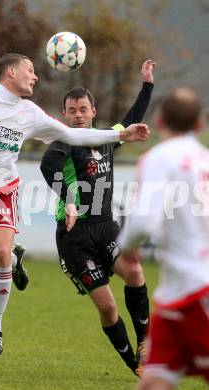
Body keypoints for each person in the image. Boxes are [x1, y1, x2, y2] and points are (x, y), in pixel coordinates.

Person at [0, 53, 150, 357]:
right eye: (30, 70)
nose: (35, 76)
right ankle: (13, 263)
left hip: (2, 189)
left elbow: (73, 134)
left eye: (84, 109)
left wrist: (121, 133)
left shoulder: (30, 113)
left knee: (1, 251)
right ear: (12, 72)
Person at [40, 59, 155, 376]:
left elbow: (130, 122)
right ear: (64, 114)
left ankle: (145, 344)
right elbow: (48, 167)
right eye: (72, 110)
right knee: (107, 307)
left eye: (83, 109)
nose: (78, 115)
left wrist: (147, 84)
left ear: (93, 111)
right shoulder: (63, 142)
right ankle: (134, 363)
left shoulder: (106, 137)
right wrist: (69, 200)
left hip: (106, 228)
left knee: (134, 271)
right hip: (74, 236)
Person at [117, 88, 209, 389]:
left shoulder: (159, 158)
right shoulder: (205, 160)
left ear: (158, 120)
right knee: (152, 381)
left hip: (198, 291)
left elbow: (143, 220)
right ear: (199, 125)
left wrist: (126, 246)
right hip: (177, 296)